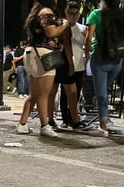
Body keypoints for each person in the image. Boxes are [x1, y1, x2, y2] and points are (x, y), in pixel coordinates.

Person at [17, 0, 69, 137]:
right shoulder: (47, 13)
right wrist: (65, 24)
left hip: (32, 54)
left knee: (34, 94)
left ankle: (22, 124)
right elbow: (51, 32)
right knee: (44, 94)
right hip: (43, 54)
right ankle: (45, 125)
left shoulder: (37, 13)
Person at [85, 0, 124, 136]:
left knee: (101, 93)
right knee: (105, 91)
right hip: (117, 58)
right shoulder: (119, 15)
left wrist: (87, 53)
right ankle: (105, 120)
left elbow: (89, 38)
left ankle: (103, 126)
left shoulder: (95, 14)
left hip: (100, 58)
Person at [48, 1, 88, 130]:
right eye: (70, 14)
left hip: (73, 62)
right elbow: (66, 45)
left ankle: (67, 120)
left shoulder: (80, 28)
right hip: (61, 60)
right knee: (61, 91)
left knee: (71, 93)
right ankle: (54, 119)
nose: (73, 16)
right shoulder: (61, 24)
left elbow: (82, 45)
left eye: (76, 14)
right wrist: (70, 64)